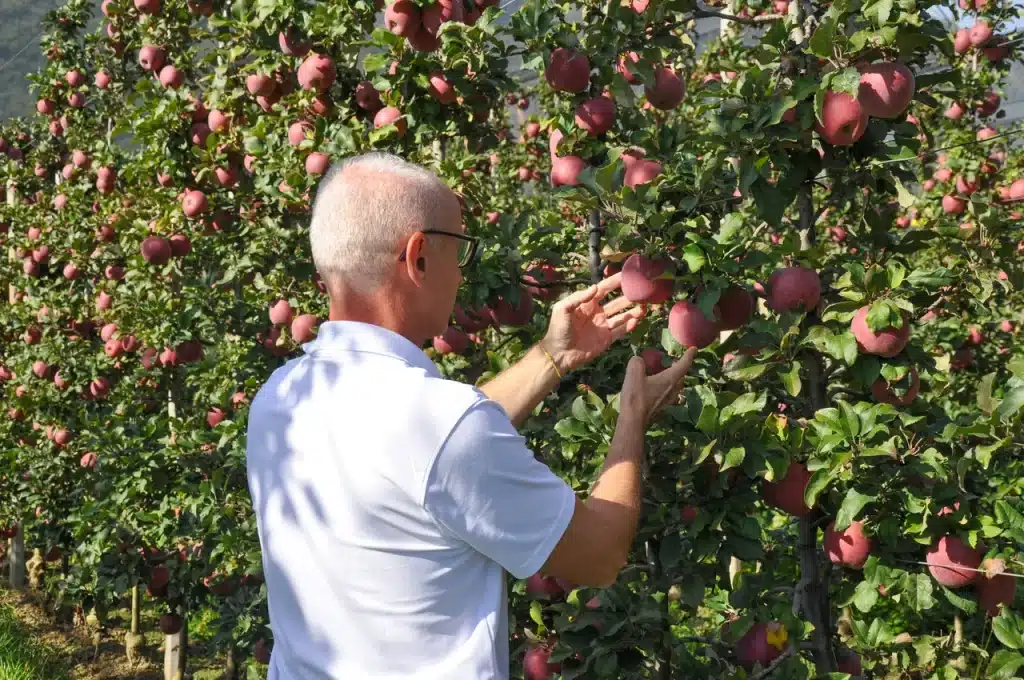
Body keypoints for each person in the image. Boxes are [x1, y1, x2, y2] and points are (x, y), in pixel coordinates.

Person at [245, 152, 698, 679]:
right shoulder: (437, 424)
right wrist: (632, 419)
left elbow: (427, 457)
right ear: (418, 257)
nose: (461, 271)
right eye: (458, 249)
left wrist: (554, 356)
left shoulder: (281, 397)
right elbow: (599, 556)